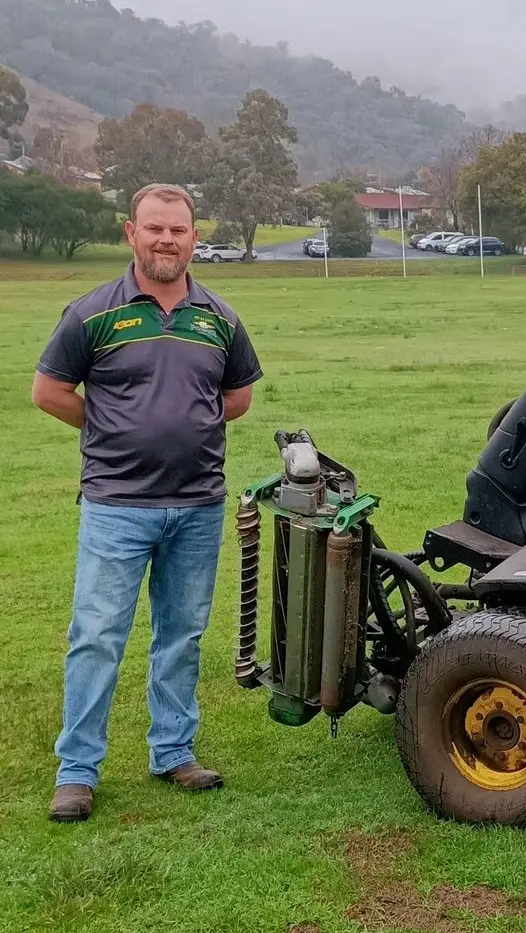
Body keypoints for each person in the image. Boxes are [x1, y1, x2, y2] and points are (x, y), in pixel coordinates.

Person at [33, 183, 262, 822]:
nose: (167, 240)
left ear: (194, 237)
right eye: (155, 229)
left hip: (197, 506)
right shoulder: (92, 314)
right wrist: (110, 426)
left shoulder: (219, 317)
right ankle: (77, 771)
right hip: (116, 506)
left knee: (182, 636)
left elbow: (238, 396)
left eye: (179, 230)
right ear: (132, 233)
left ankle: (173, 750)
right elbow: (49, 390)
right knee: (98, 636)